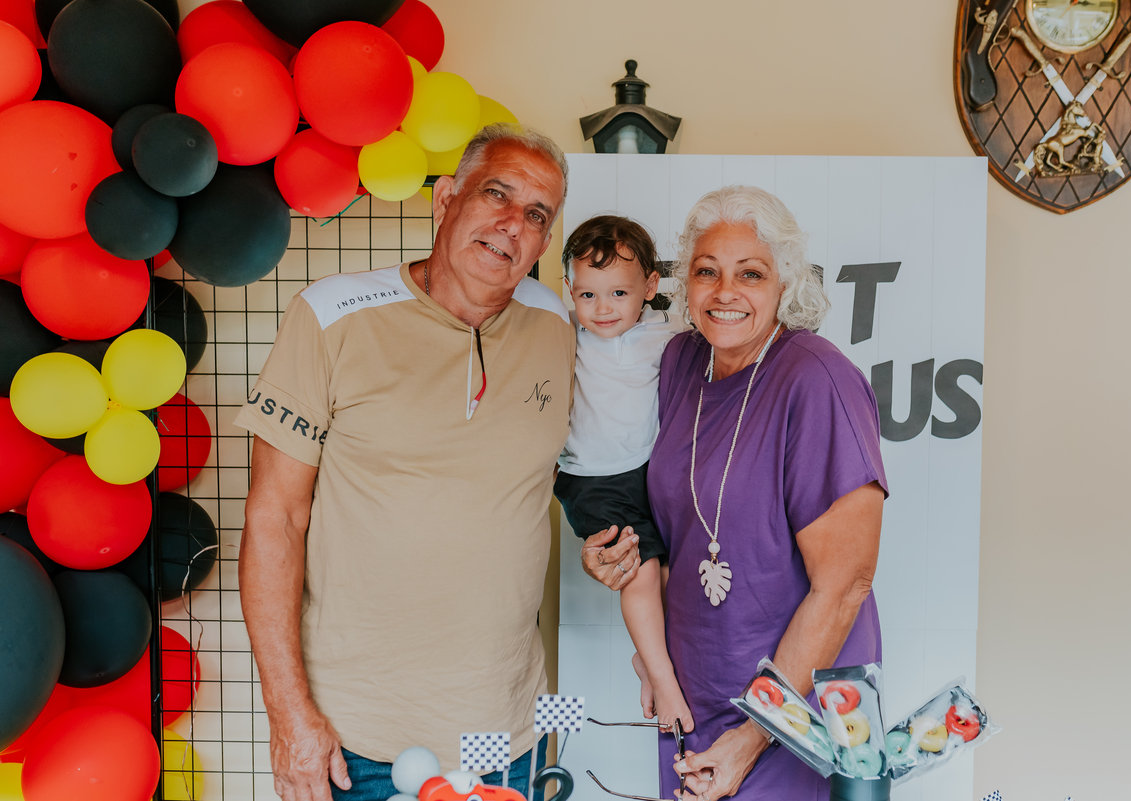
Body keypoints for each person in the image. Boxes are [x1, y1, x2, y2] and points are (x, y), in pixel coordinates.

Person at [235, 124, 573, 801]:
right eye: (496, 194)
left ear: (543, 244)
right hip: (357, 741)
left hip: (510, 734)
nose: (513, 224)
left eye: (537, 215)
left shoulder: (558, 325)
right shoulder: (331, 315)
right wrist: (289, 715)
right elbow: (275, 518)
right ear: (446, 199)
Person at [580, 185, 888, 800]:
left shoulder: (817, 378)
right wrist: (614, 557)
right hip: (695, 693)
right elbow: (667, 526)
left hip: (798, 711)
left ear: (785, 283)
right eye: (706, 271)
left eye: (750, 273)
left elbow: (844, 585)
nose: (725, 292)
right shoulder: (679, 363)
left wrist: (754, 735)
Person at [553, 214, 693, 734]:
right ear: (569, 290)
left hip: (647, 472)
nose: (603, 308)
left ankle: (646, 656)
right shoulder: (565, 335)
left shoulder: (667, 336)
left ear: (650, 287)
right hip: (590, 478)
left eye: (618, 293)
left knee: (673, 575)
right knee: (639, 569)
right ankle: (664, 680)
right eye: (587, 295)